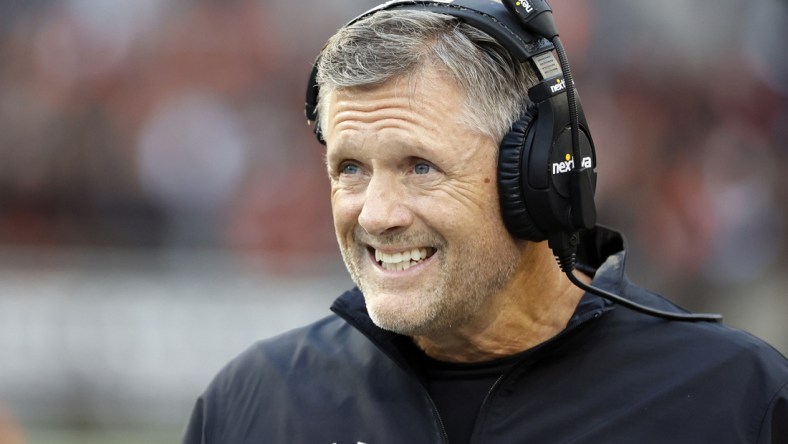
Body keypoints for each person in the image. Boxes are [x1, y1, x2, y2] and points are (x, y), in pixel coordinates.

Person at [182, 1, 788, 442]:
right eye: (350, 168)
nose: (376, 215)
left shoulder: (737, 400)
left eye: (420, 167)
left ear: (539, 176)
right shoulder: (251, 404)